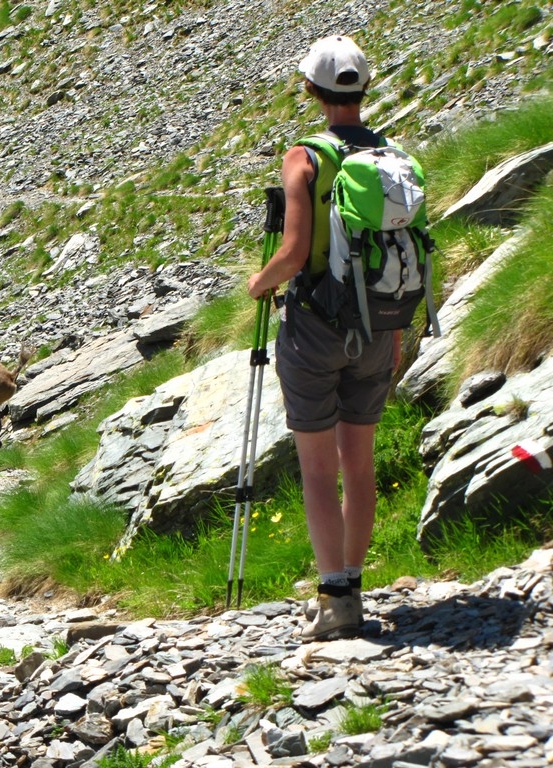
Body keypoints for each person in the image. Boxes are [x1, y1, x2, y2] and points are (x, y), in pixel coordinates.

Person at [246, 35, 401, 642]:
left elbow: (291, 253)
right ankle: (354, 585)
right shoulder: (388, 155)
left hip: (315, 325)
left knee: (317, 468)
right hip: (379, 322)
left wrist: (258, 285)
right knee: (358, 463)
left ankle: (334, 599)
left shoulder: (304, 158)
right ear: (363, 90)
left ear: (310, 90)